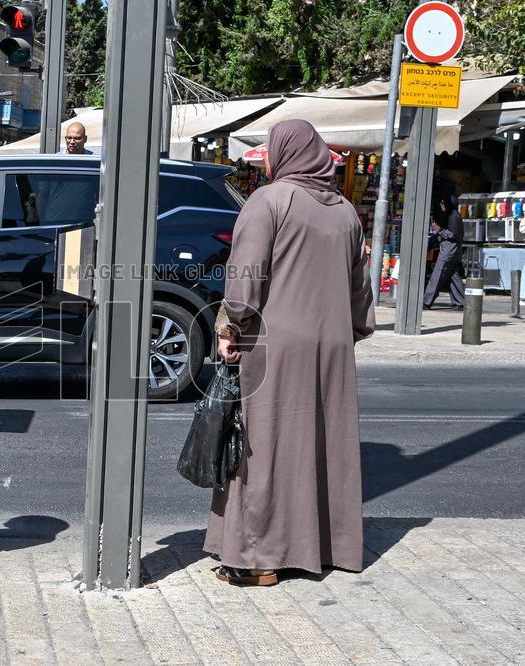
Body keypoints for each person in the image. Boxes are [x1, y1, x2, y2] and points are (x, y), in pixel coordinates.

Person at [208, 119, 374, 586]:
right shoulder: (344, 211)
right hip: (333, 342)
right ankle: (326, 547)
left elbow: (245, 280)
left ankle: (258, 561)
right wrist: (350, 331)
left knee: (265, 446)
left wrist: (231, 328)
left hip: (275, 342)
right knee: (323, 445)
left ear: (283, 154)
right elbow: (359, 290)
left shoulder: (270, 200)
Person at [423, 194, 465, 310]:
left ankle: (427, 301)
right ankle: (460, 302)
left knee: (438, 274)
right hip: (452, 251)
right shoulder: (453, 215)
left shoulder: (453, 216)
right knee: (453, 276)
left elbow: (454, 235)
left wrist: (439, 230)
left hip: (449, 251)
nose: (441, 205)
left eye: (443, 202)